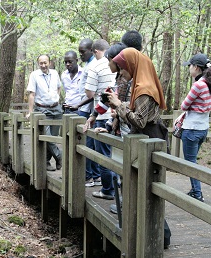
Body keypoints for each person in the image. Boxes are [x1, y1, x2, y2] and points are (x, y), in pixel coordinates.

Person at [105, 47, 171, 249]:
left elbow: (140, 121)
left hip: (148, 140)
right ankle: (146, 231)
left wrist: (118, 105)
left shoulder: (144, 88)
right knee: (139, 189)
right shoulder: (140, 86)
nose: (122, 74)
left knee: (147, 190)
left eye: (123, 70)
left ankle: (162, 235)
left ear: (132, 66)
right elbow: (139, 111)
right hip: (144, 141)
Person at [181, 53, 211, 202]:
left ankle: (197, 193)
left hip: (192, 129)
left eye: (190, 66)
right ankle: (195, 190)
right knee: (193, 160)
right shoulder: (210, 84)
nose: (189, 68)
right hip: (203, 128)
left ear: (196, 67)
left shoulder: (198, 85)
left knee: (191, 163)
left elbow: (184, 105)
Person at [84, 39, 116, 199]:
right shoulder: (119, 64)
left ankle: (108, 190)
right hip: (116, 115)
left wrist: (92, 115)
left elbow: (89, 93)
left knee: (104, 156)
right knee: (115, 154)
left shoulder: (95, 67)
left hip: (103, 115)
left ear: (95, 51)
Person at [68, 39, 101, 187]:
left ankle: (89, 176)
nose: (81, 55)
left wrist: (78, 106)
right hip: (84, 108)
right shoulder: (89, 64)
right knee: (88, 142)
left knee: (86, 143)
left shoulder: (94, 65)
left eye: (83, 52)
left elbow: (92, 94)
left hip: (86, 109)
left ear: (92, 50)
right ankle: (92, 175)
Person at [26, 54, 63, 171]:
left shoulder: (55, 73)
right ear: (38, 64)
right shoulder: (34, 75)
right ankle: (59, 157)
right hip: (42, 110)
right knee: (47, 137)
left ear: (49, 62)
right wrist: (30, 112)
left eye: (45, 62)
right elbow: (31, 94)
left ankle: (46, 162)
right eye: (41, 63)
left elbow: (59, 87)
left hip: (56, 109)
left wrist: (56, 97)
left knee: (54, 137)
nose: (43, 65)